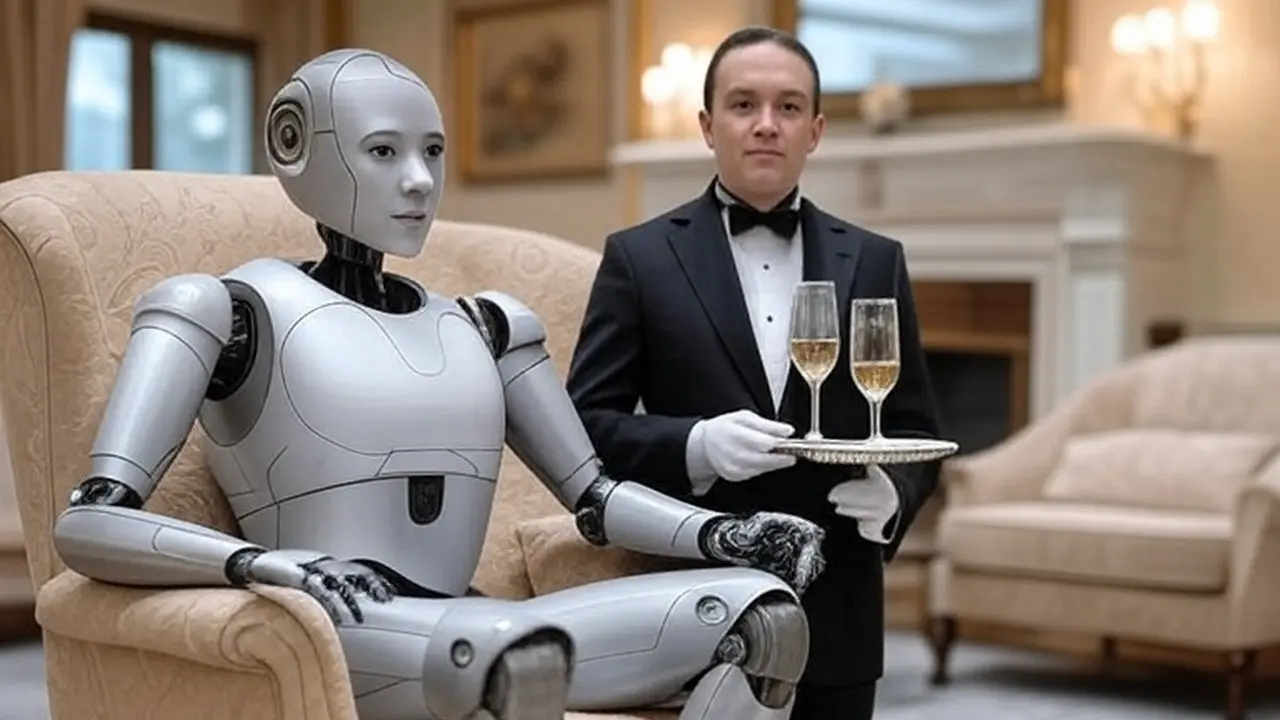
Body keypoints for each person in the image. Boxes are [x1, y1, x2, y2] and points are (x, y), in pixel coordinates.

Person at [50, 48, 829, 720]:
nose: (420, 181)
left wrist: (721, 534)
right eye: (383, 152)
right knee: (513, 653)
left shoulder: (486, 324)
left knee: (764, 619)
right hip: (341, 627)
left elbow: (594, 498)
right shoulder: (225, 310)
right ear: (294, 146)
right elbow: (89, 525)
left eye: (432, 151)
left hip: (472, 626)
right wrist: (268, 567)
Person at [566, 26, 943, 720]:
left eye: (789, 107)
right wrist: (695, 445)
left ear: (815, 130)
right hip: (693, 603)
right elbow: (584, 427)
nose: (767, 124)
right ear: (708, 126)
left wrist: (893, 495)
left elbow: (916, 428)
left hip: (840, 613)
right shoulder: (638, 259)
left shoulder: (876, 259)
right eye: (744, 105)